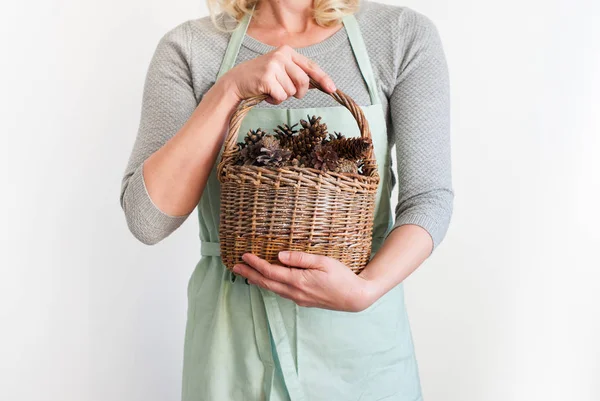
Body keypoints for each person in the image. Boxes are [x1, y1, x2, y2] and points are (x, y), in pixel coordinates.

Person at [120, 0, 453, 399]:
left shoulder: (400, 35)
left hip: (360, 353)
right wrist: (228, 90)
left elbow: (429, 198)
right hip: (233, 353)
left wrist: (366, 288)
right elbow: (147, 220)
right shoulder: (190, 48)